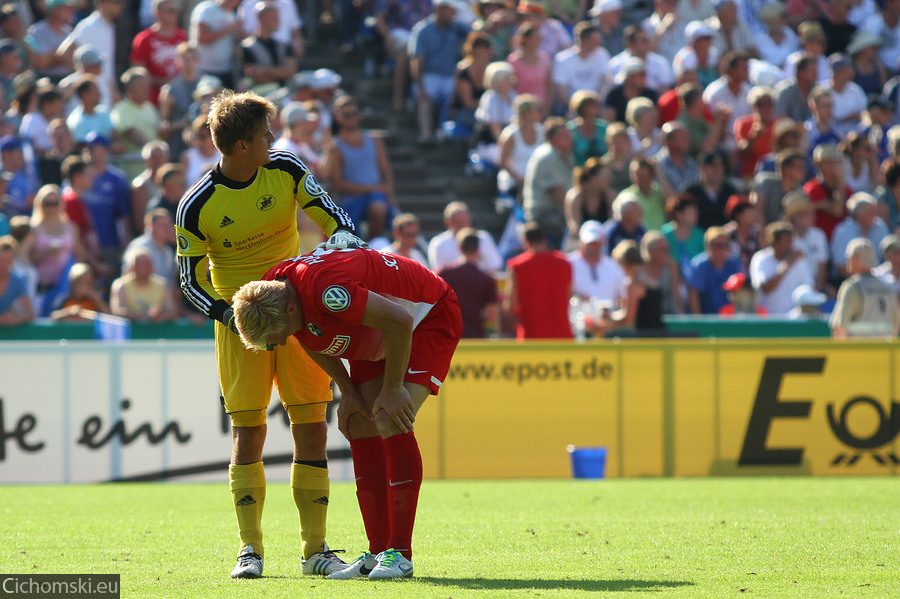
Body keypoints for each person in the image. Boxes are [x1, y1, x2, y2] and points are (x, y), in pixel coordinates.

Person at [174, 90, 364, 580]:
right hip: (242, 331)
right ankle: (250, 550)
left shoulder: (286, 169)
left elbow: (335, 221)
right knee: (249, 432)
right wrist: (231, 315)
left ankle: (316, 551)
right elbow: (189, 282)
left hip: (300, 318)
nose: (273, 139)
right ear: (241, 147)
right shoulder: (196, 206)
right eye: (264, 135)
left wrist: (339, 255)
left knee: (311, 426)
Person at [231, 247, 462, 580]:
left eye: (276, 337)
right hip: (378, 330)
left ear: (293, 308)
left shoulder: (327, 293)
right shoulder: (273, 289)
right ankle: (378, 551)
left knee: (388, 418)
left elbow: (400, 320)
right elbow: (304, 335)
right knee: (358, 422)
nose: (279, 344)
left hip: (425, 317)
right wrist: (349, 392)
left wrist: (394, 387)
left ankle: (400, 554)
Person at [323, 96, 396, 241]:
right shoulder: (335, 146)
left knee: (378, 208)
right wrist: (372, 188)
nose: (351, 118)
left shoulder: (375, 140)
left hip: (376, 196)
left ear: (359, 115)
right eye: (346, 115)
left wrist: (390, 196)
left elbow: (385, 171)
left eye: (354, 114)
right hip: (351, 200)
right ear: (338, 117)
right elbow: (337, 183)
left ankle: (372, 245)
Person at [408, 0, 470, 144]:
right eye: (452, 10)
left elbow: (476, 34)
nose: (455, 14)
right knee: (424, 100)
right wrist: (420, 87)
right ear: (441, 10)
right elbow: (417, 61)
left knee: (452, 98)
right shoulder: (423, 29)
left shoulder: (456, 27)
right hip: (428, 76)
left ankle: (445, 133)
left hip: (450, 76)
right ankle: (426, 134)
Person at [504, 222, 572, 339]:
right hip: (562, 334)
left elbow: (510, 305)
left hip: (531, 335)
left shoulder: (517, 265)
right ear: (544, 240)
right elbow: (569, 296)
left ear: (525, 242)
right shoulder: (564, 263)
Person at [830, 237, 900, 338]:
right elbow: (895, 327)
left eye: (848, 256)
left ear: (855, 259)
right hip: (883, 352)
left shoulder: (853, 287)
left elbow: (839, 328)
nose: (847, 260)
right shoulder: (888, 288)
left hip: (857, 352)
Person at [436, 227, 499, 338]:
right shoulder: (486, 279)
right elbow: (491, 315)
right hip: (475, 337)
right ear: (478, 250)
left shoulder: (443, 273)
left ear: (459, 248)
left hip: (447, 335)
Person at [522, 117, 574, 248]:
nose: (569, 138)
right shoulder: (547, 156)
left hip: (556, 210)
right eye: (564, 135)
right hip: (543, 214)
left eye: (569, 134)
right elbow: (559, 196)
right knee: (573, 226)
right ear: (553, 138)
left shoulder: (567, 155)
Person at [749, 222, 815, 315]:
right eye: (786, 241)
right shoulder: (760, 258)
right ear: (775, 243)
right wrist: (787, 265)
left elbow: (810, 287)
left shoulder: (799, 261)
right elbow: (766, 288)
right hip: (767, 319)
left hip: (793, 320)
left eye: (791, 240)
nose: (790, 245)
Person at [129, 0, 188, 105]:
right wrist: (166, 81)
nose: (175, 14)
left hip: (179, 100)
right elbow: (137, 73)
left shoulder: (182, 36)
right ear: (158, 13)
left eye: (175, 10)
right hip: (152, 100)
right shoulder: (144, 39)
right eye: (171, 11)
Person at [427, 200, 503, 274]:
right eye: (459, 223)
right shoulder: (438, 244)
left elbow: (495, 266)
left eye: (466, 221)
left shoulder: (484, 238)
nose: (464, 226)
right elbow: (439, 273)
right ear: (448, 223)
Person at [830, 191, 890, 280]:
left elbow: (888, 258)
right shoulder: (842, 231)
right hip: (849, 279)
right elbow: (841, 267)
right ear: (859, 215)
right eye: (871, 212)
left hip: (879, 278)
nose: (875, 215)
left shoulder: (880, 227)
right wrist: (863, 281)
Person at [568, 219, 626, 308]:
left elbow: (623, 295)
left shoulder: (613, 267)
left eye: (596, 243)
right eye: (589, 243)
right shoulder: (568, 264)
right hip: (576, 319)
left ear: (603, 242)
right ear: (581, 241)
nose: (592, 247)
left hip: (607, 320)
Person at [110, 247, 178, 321]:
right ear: (134, 267)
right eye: (143, 264)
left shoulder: (161, 284)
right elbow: (118, 312)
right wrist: (146, 315)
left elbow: (173, 312)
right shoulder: (121, 285)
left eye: (149, 263)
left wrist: (160, 314)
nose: (147, 267)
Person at [687, 225, 742, 314]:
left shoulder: (734, 265)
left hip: (729, 321)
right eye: (718, 246)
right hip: (706, 320)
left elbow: (740, 294)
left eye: (725, 245)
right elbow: (694, 295)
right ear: (709, 246)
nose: (723, 249)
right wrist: (698, 322)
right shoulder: (700, 265)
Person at [189, 0, 242, 89]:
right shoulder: (207, 9)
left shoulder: (232, 14)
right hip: (204, 70)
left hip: (226, 70)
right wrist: (229, 29)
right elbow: (202, 37)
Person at [564, 157, 612, 251]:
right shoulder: (576, 197)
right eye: (604, 177)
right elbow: (574, 227)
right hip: (579, 242)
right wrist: (589, 243)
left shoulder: (610, 196)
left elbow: (611, 225)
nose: (608, 180)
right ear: (593, 179)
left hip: (603, 243)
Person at [0, 235, 33, 325]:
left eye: (8, 260)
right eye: (1, 260)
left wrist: (15, 320)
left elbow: (30, 313)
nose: (4, 265)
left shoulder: (17, 281)